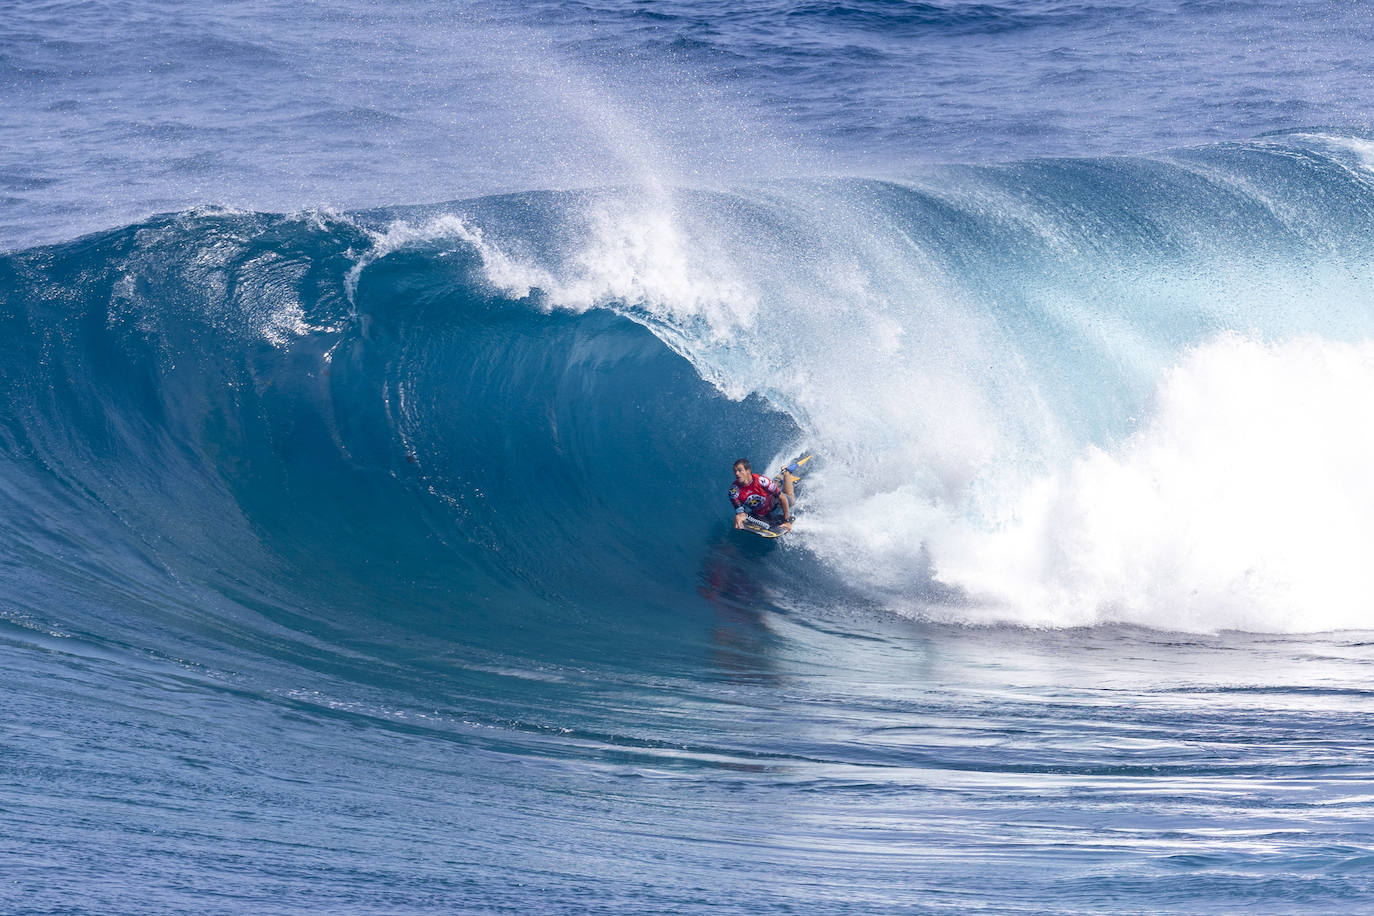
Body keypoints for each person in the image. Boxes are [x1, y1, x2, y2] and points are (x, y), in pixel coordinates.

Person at [730, 458, 798, 532]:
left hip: (775, 502)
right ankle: (777, 480)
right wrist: (739, 516)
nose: (737, 473)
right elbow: (740, 512)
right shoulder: (734, 491)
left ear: (748, 470)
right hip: (760, 513)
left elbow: (782, 498)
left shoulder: (761, 481)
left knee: (791, 501)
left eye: (740, 470)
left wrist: (787, 521)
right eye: (735, 471)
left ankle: (786, 472)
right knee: (770, 488)